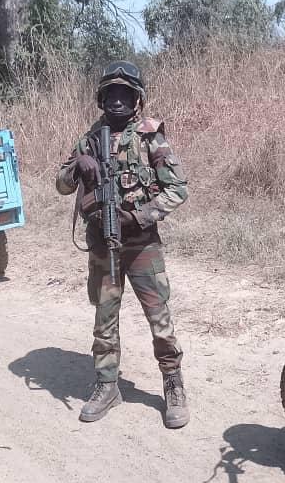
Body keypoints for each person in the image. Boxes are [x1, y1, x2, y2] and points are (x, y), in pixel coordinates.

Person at [55, 61, 190, 427]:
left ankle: (173, 384)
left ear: (136, 99)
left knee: (159, 319)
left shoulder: (150, 137)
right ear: (102, 99)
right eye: (111, 94)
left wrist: (141, 215)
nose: (117, 101)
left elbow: (177, 189)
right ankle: (107, 384)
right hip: (102, 245)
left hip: (142, 244)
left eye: (124, 94)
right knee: (104, 320)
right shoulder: (89, 138)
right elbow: (62, 184)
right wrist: (77, 166)